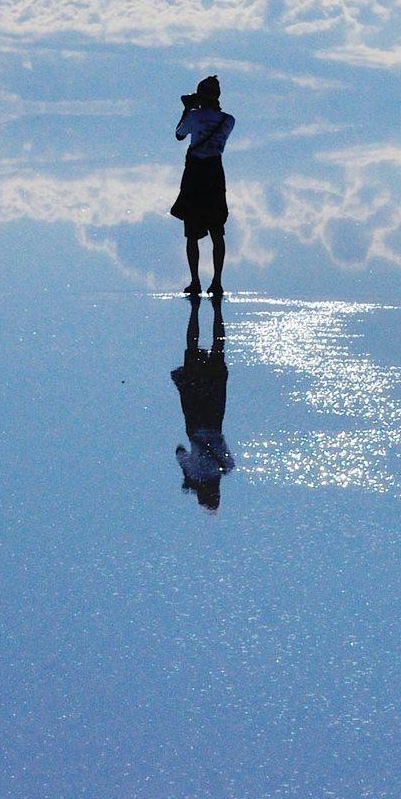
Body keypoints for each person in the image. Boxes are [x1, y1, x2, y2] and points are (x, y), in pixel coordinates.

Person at [170, 73, 234, 300]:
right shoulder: (228, 120)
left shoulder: (194, 116)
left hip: (196, 174)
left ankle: (195, 281)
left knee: (191, 233)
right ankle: (217, 281)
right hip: (215, 173)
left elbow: (179, 134)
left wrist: (187, 109)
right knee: (218, 231)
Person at [172, 296, 233, 509]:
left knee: (218, 351)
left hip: (215, 419)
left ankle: (216, 310)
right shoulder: (194, 473)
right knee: (192, 348)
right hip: (195, 422)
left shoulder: (227, 466)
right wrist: (187, 479)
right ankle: (195, 309)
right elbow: (180, 452)